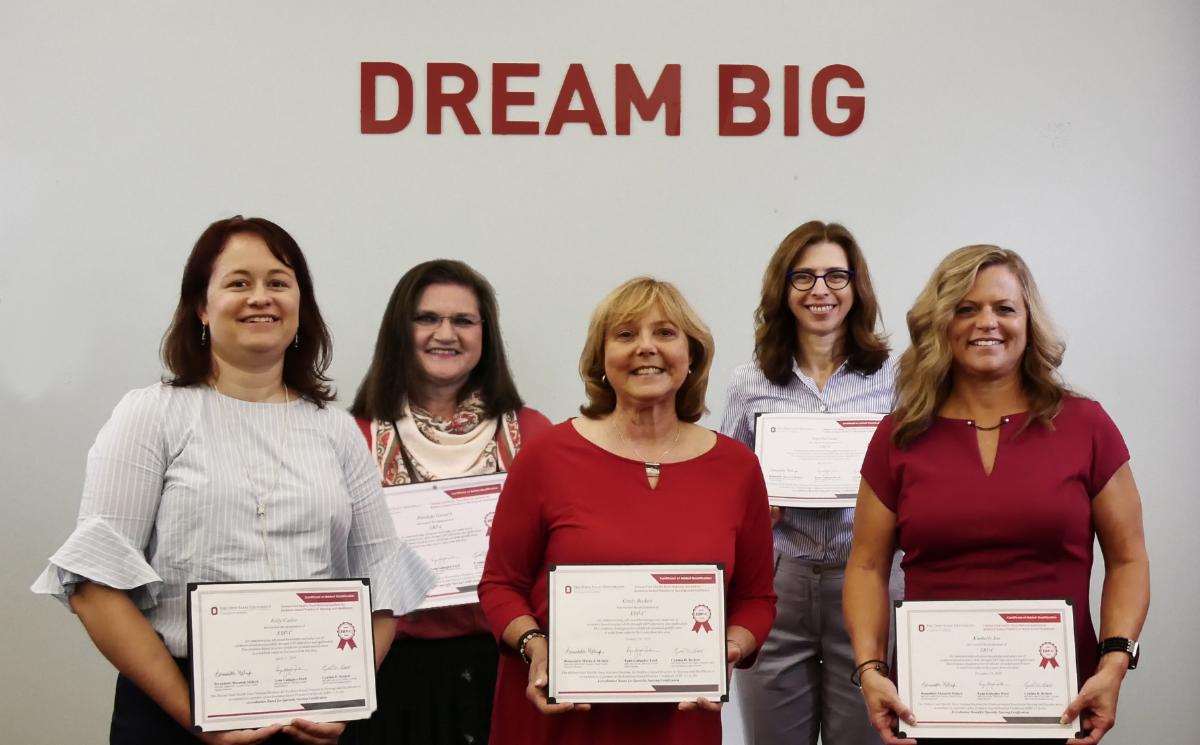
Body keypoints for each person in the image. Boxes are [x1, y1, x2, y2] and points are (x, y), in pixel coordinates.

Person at [31, 216, 435, 745]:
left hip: (311, 717)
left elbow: (384, 585)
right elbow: (94, 588)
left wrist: (346, 696)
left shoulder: (335, 430)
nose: (260, 298)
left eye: (278, 282)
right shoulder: (151, 415)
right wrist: (197, 716)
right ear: (201, 306)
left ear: (300, 305)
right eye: (238, 282)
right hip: (175, 711)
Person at [843, 245, 1150, 745]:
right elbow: (866, 567)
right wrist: (871, 669)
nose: (987, 322)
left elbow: (1129, 559)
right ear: (941, 323)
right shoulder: (898, 435)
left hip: (1060, 705)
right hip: (929, 710)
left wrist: (1115, 661)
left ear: (1028, 322)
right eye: (966, 309)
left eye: (1004, 308)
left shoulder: (1086, 425)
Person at [477, 276, 777, 745]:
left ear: (692, 355)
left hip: (677, 724)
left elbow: (757, 599)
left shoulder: (737, 468)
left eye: (665, 333)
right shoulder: (546, 455)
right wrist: (535, 648)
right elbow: (500, 584)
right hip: (558, 721)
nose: (645, 348)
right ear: (600, 358)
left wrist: (728, 648)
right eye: (624, 335)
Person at [344, 259, 552, 745]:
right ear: (400, 330)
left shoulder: (536, 435)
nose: (446, 333)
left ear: (486, 335)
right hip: (390, 672)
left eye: (463, 320)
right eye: (426, 318)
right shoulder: (351, 437)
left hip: (505, 666)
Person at [720, 220, 899, 744]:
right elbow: (725, 485)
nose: (820, 290)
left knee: (868, 735)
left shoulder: (897, 377)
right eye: (804, 277)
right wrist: (756, 507)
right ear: (783, 288)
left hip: (866, 579)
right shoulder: (749, 380)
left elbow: (921, 479)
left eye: (835, 276)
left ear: (856, 287)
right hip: (780, 582)